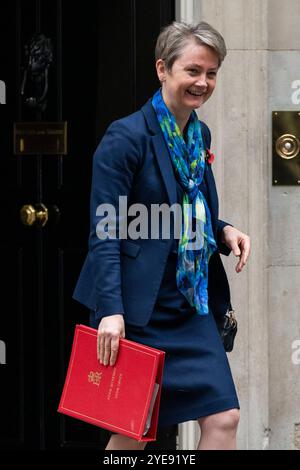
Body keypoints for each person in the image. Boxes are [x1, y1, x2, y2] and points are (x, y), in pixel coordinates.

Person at [73, 21, 250, 450]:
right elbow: (107, 230)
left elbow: (189, 206)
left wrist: (222, 229)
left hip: (190, 302)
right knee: (133, 429)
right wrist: (110, 311)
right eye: (192, 70)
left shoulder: (198, 134)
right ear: (162, 69)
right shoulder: (126, 137)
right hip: (138, 308)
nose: (202, 82)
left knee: (224, 416)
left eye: (211, 73)